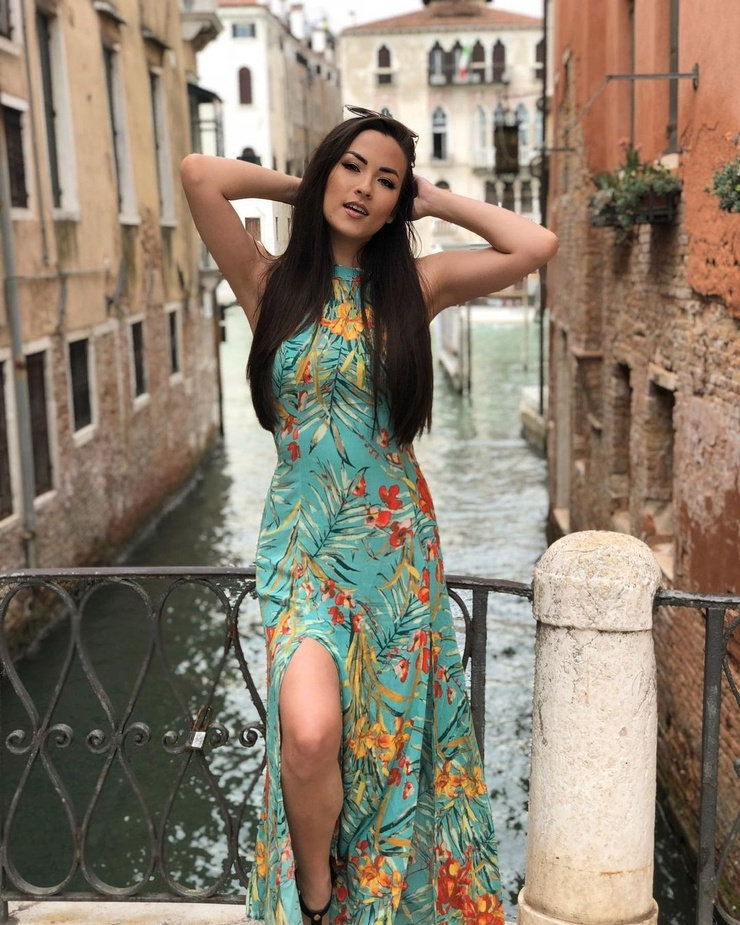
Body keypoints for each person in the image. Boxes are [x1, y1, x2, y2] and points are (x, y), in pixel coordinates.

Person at [181, 108, 557, 925]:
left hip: (395, 553)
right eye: (352, 167)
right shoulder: (269, 282)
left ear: (398, 203)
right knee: (312, 733)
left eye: (385, 182)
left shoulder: (416, 287)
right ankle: (318, 898)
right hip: (303, 549)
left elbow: (535, 245)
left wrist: (434, 199)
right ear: (329, 170)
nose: (365, 189)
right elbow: (199, 174)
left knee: (387, 746)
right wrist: (311, 185)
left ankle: (383, 905)